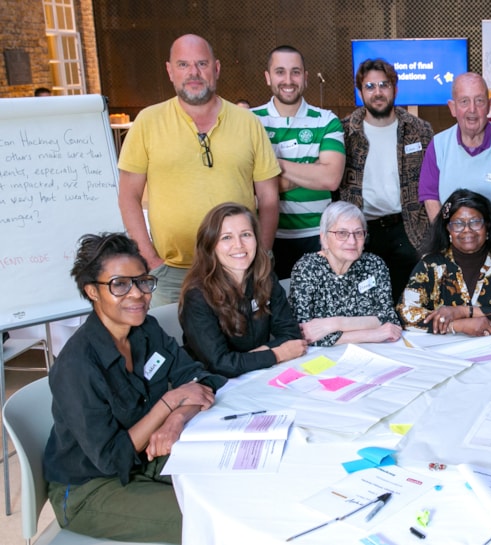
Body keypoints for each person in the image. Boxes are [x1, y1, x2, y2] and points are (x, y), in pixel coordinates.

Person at [43, 233, 226, 543]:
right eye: (120, 285)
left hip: (146, 457)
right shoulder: (77, 365)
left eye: (142, 282)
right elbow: (113, 458)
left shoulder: (146, 329)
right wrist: (168, 403)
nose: (137, 294)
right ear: (92, 291)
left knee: (234, 482)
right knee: (208, 519)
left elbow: (200, 379)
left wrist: (175, 419)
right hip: (92, 487)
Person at [118, 34, 281, 306]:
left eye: (202, 64)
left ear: (216, 69)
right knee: (169, 334)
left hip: (238, 268)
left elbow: (269, 198)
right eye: (183, 64)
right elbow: (128, 196)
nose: (193, 72)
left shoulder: (248, 123)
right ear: (170, 71)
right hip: (170, 274)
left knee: (242, 332)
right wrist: (149, 259)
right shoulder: (148, 122)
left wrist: (261, 255)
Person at [340, 58, 434, 302]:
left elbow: (433, 183)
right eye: (370, 86)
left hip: (408, 229)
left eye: (384, 85)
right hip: (362, 231)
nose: (378, 92)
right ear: (360, 92)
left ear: (395, 88)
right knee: (366, 303)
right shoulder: (345, 132)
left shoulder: (419, 130)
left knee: (409, 302)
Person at [179, 203, 306, 378]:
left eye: (246, 234)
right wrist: (277, 354)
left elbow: (291, 335)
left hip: (258, 374)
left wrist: (246, 360)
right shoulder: (196, 296)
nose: (238, 245)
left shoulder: (265, 277)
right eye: (226, 237)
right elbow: (220, 365)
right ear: (210, 245)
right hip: (217, 385)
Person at [251, 45, 346, 279]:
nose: (288, 80)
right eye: (280, 72)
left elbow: (331, 178)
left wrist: (271, 165)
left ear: (305, 77)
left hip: (318, 237)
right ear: (268, 77)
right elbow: (244, 183)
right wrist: (310, 168)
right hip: (264, 237)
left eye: (295, 72)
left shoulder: (326, 120)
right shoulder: (249, 121)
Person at [418, 73, 491, 258]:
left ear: (489, 105)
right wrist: (452, 244)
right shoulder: (438, 145)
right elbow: (431, 200)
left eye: (479, 101)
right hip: (453, 257)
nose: (472, 109)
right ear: (453, 108)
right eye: (464, 101)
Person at [398, 189, 491, 336]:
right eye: (458, 224)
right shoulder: (430, 266)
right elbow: (404, 313)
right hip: (444, 348)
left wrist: (464, 311)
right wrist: (457, 325)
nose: (467, 230)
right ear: (448, 228)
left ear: (487, 225)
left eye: (475, 222)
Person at [289, 201, 402, 346]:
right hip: (322, 356)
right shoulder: (307, 269)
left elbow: (390, 319)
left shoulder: (374, 264)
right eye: (342, 233)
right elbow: (305, 334)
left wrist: (334, 324)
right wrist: (374, 333)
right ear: (324, 238)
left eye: (358, 233)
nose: (352, 241)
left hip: (372, 350)